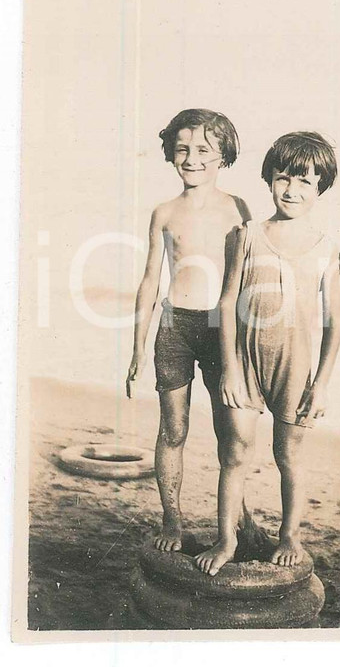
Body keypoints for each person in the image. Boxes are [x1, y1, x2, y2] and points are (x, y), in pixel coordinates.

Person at [195, 131, 340, 576]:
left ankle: (290, 535)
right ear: (269, 179)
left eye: (305, 183)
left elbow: (334, 322)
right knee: (235, 454)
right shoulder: (246, 234)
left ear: (320, 188)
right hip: (244, 364)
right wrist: (231, 371)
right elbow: (225, 303)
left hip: (294, 370)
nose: (292, 190)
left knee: (289, 456)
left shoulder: (325, 247)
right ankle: (226, 541)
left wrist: (319, 386)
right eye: (283, 179)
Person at [126, 108, 252, 553]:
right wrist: (137, 349)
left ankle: (239, 522)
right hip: (174, 325)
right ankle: (172, 522)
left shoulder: (239, 208)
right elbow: (148, 281)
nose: (192, 158)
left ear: (223, 157)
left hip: (221, 329)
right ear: (170, 153)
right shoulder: (164, 212)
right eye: (182, 149)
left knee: (230, 431)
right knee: (173, 430)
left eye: (203, 150)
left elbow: (252, 272)